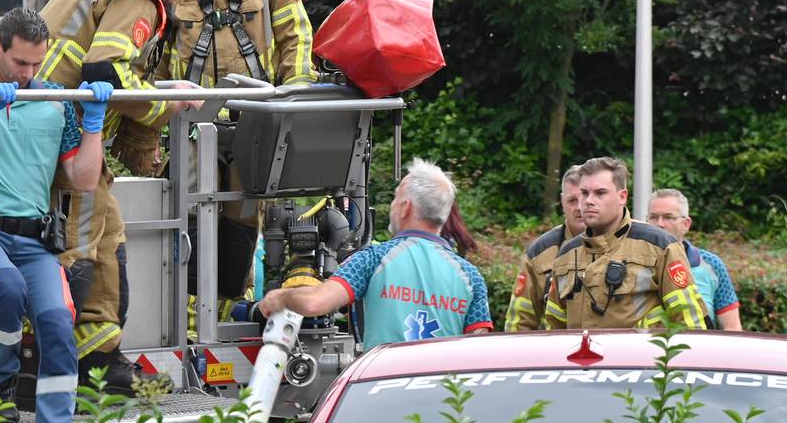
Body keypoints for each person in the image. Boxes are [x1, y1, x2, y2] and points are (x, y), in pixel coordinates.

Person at [37, 0, 209, 393]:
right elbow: (104, 71)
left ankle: (102, 361)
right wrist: (166, 106)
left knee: (108, 238)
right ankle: (60, 369)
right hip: (64, 135)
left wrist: (161, 86)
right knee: (81, 246)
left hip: (49, 125)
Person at [128, 0, 318, 319]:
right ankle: (190, 318)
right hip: (195, 123)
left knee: (244, 217)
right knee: (188, 211)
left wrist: (297, 100)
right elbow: (153, 55)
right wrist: (147, 130)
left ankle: (233, 309)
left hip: (257, 119)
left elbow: (296, 34)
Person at [0, 8, 111, 423]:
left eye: (37, 63)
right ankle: (1, 397)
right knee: (6, 284)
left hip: (33, 241)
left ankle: (57, 418)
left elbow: (83, 180)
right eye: (19, 62)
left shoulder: (53, 101)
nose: (27, 73)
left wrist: (94, 124)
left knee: (56, 318)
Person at [258, 159, 493, 348]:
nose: (392, 205)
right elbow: (478, 351)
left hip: (383, 392)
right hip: (444, 400)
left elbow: (315, 304)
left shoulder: (373, 259)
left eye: (396, 198)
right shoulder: (470, 276)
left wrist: (279, 298)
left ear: (405, 207)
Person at [544, 157, 707, 330]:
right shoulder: (567, 254)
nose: (588, 201)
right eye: (584, 193)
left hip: (642, 357)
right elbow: (554, 331)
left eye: (600, 193)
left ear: (622, 197)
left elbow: (689, 324)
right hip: (580, 357)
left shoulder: (659, 246)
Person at [504, 165, 586, 331]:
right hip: (558, 353)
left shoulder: (626, 243)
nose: (579, 207)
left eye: (584, 198)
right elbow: (520, 321)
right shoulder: (540, 253)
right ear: (562, 201)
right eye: (572, 200)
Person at [648, 189, 741, 330]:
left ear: (686, 224)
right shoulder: (632, 263)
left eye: (668, 217)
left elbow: (732, 328)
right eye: (653, 217)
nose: (660, 224)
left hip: (700, 350)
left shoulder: (712, 264)